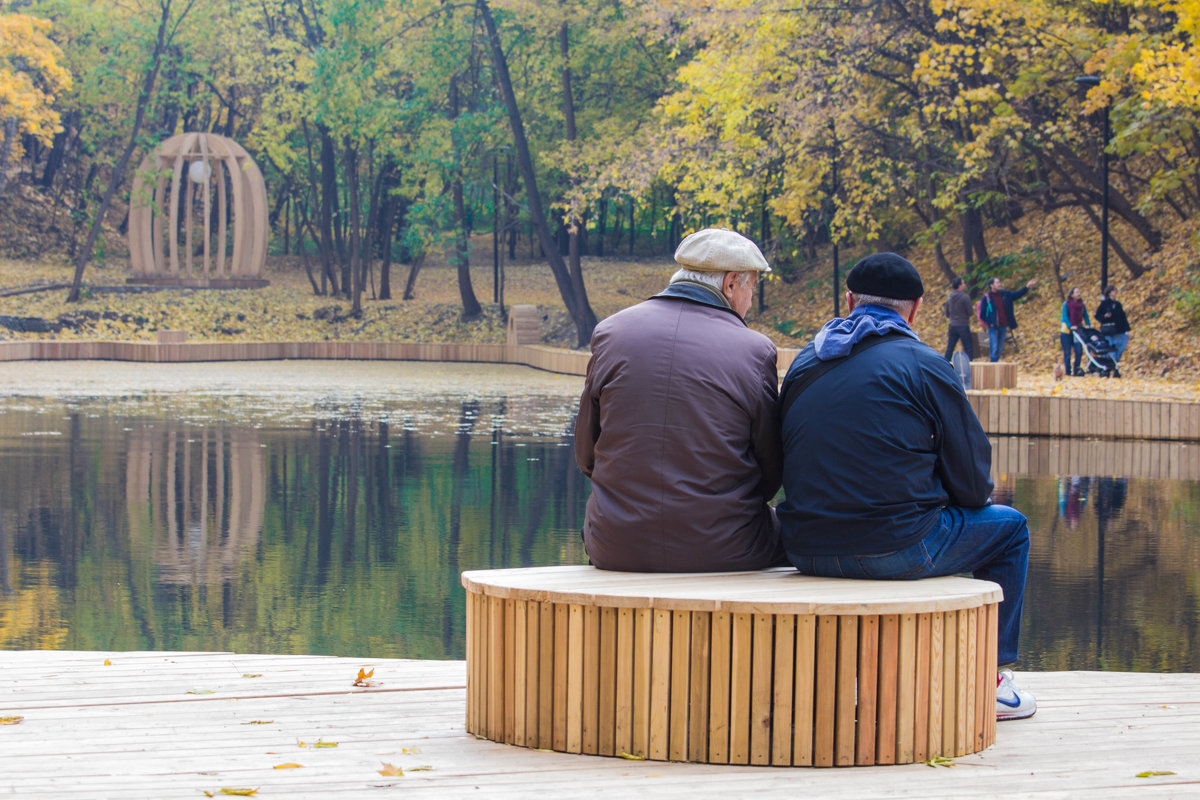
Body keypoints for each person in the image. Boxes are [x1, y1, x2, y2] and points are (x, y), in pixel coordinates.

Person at [777, 252, 1036, 721]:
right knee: (1011, 528)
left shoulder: (805, 362)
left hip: (802, 546)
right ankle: (991, 682)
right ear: (915, 308)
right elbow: (975, 483)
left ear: (850, 301)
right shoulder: (925, 364)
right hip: (895, 547)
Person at [574, 228, 783, 572]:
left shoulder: (611, 333)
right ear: (731, 283)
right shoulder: (754, 350)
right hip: (726, 548)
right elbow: (770, 470)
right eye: (751, 288)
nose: (749, 301)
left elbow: (586, 453)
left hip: (615, 544)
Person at [978, 276, 1037, 362]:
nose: (999, 284)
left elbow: (1017, 295)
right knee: (994, 347)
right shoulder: (986, 298)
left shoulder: (1005, 294)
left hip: (1003, 325)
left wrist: (1027, 287)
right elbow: (982, 314)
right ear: (991, 285)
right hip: (993, 327)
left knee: (1000, 348)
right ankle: (993, 366)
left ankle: (995, 364)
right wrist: (990, 323)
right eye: (997, 283)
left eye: (999, 282)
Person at [1095, 285, 1131, 364]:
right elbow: (1097, 316)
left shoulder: (1118, 304)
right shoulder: (1104, 304)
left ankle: (1114, 364)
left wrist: (1127, 329)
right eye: (1113, 290)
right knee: (1109, 348)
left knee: (1118, 347)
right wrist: (1104, 316)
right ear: (1109, 293)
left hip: (1118, 330)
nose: (1115, 292)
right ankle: (1108, 364)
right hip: (1108, 330)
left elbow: (1123, 317)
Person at [1060, 286, 1090, 377]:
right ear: (1072, 295)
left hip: (1078, 329)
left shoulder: (1081, 305)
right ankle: (1068, 372)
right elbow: (1065, 316)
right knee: (1067, 352)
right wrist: (1070, 326)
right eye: (1076, 292)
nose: (1079, 294)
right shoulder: (1067, 304)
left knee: (1078, 350)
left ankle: (1076, 369)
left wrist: (1088, 324)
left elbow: (1085, 315)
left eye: (1079, 292)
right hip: (1066, 331)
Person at [942, 276, 974, 361]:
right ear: (959, 285)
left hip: (952, 325)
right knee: (968, 348)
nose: (965, 284)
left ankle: (945, 365)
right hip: (963, 325)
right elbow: (970, 312)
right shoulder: (965, 297)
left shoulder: (949, 298)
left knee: (950, 347)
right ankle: (969, 366)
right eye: (963, 283)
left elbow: (947, 313)